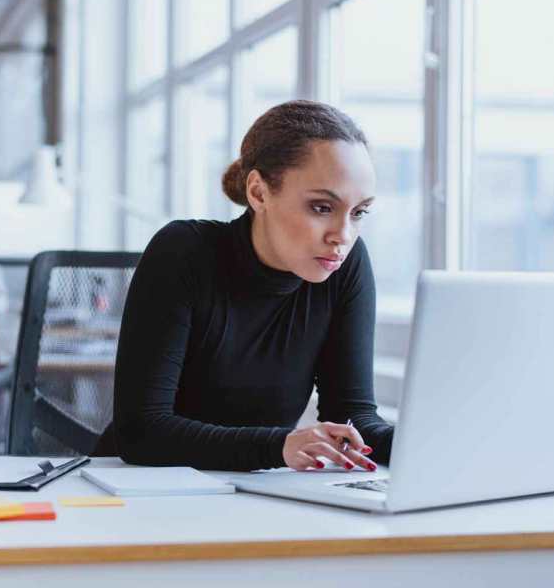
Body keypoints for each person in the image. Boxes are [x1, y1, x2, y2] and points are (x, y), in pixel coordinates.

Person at [113, 100, 394, 472]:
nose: (343, 236)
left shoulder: (346, 265)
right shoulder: (183, 252)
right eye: (322, 208)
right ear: (259, 192)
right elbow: (139, 432)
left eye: (358, 213)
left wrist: (437, 442)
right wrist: (279, 447)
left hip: (254, 493)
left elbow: (353, 418)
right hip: (141, 493)